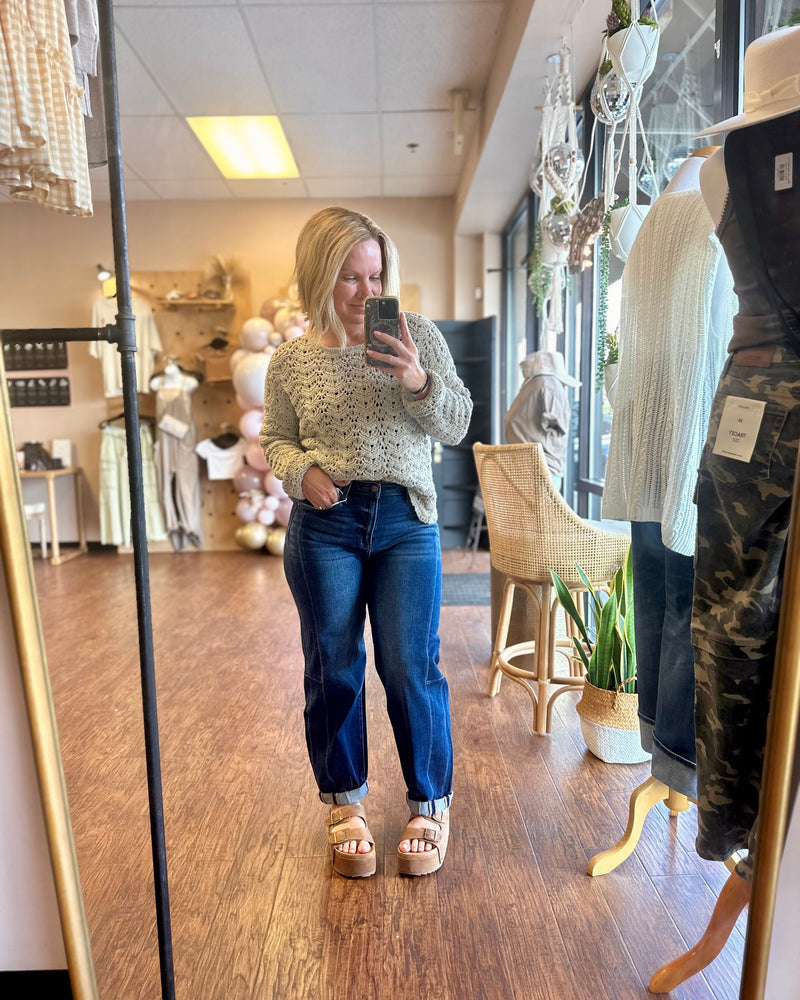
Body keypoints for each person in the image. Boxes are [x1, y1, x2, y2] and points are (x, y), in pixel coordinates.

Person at [260, 207, 473, 878]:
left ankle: (429, 805)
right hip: (326, 524)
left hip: (406, 521)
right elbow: (275, 438)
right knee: (334, 664)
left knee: (411, 665)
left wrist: (417, 379)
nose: (365, 292)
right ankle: (344, 804)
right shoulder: (292, 361)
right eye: (349, 278)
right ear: (319, 277)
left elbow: (457, 424)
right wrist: (302, 473)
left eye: (376, 276)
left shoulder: (418, 336)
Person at [503, 350, 578, 488]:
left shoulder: (528, 387)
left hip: (517, 468)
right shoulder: (550, 385)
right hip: (542, 470)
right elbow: (557, 426)